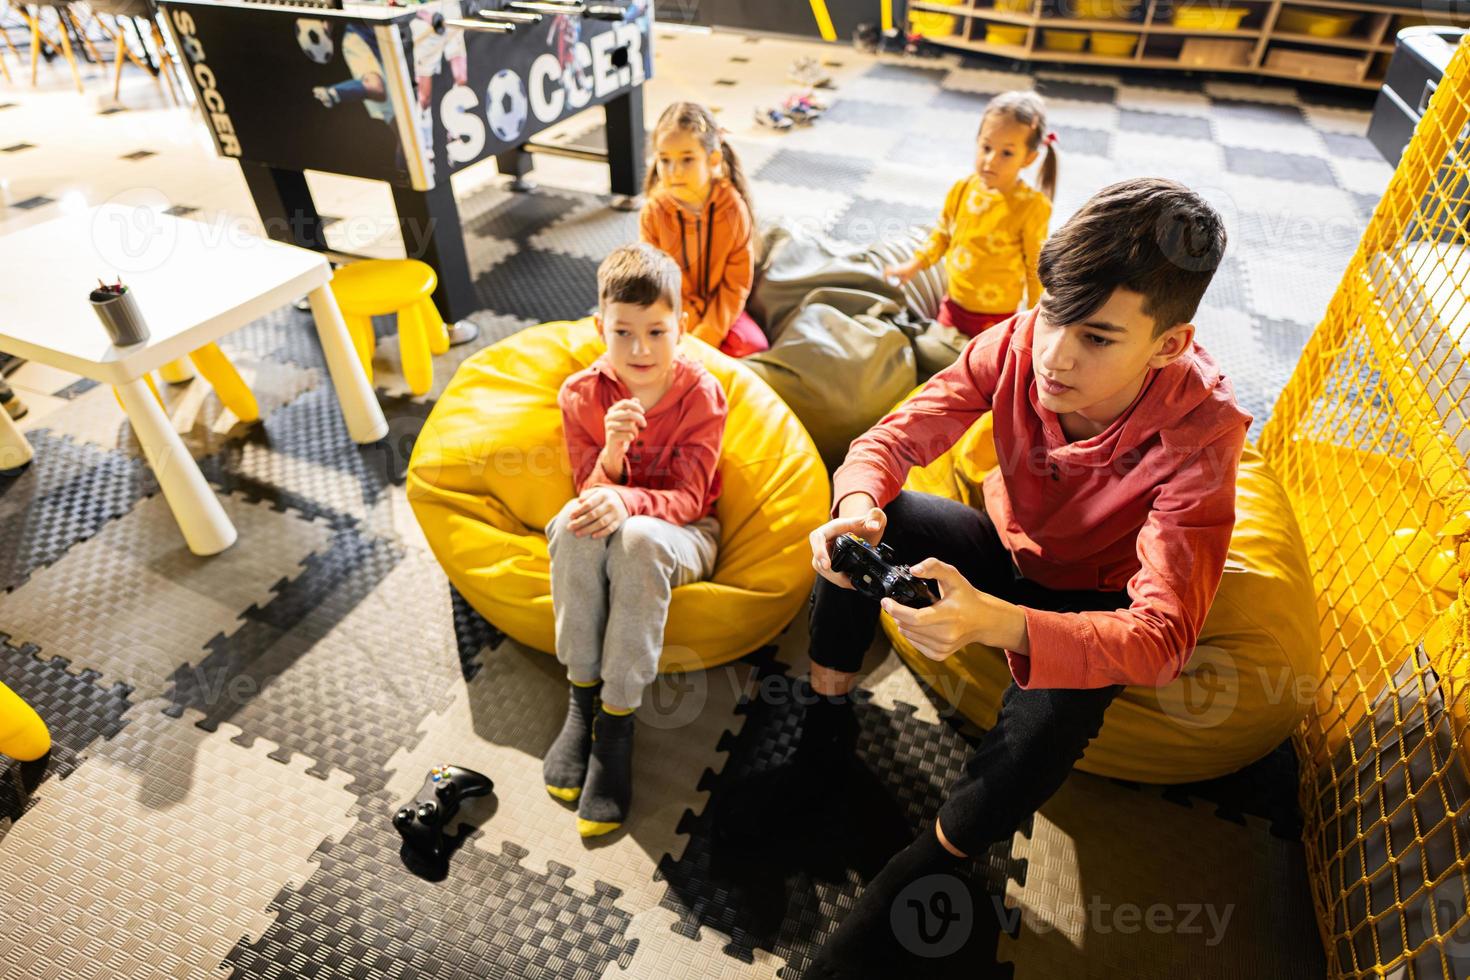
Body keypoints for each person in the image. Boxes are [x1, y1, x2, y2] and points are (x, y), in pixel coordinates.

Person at [740, 178, 1251, 975]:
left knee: (1053, 718)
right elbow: (891, 438)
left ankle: (938, 858)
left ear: (1169, 345)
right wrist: (855, 505)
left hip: (1095, 599)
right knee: (882, 522)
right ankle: (826, 718)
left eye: (1099, 337)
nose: (1055, 354)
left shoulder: (1201, 433)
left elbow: (1161, 640)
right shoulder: (1015, 341)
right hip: (1008, 549)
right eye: (1052, 312)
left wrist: (993, 623)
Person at [543, 243, 727, 838]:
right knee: (574, 524)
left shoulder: (702, 394)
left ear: (682, 327)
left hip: (684, 534)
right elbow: (586, 493)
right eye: (623, 333)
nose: (641, 349)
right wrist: (613, 456)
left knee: (639, 538)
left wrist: (626, 501)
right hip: (619, 526)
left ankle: (617, 722)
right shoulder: (579, 394)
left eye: (656, 331)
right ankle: (581, 700)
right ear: (600, 328)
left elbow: (692, 500)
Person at [885, 91, 1058, 338]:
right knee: (939, 358)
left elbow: (1034, 267)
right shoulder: (962, 189)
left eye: (1006, 153)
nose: (990, 160)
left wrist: (1034, 315)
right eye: (986, 147)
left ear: (1028, 158)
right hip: (953, 305)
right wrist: (912, 266)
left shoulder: (1033, 207)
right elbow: (942, 235)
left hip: (996, 317)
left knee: (983, 371)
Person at [639, 102, 768, 358]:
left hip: (722, 311)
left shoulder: (733, 209)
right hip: (671, 312)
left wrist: (707, 334)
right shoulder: (653, 212)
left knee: (752, 348)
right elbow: (657, 284)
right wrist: (687, 327)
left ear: (713, 160)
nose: (674, 171)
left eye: (687, 159)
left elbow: (736, 285)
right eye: (665, 160)